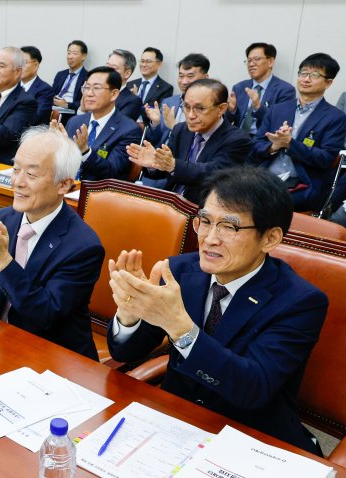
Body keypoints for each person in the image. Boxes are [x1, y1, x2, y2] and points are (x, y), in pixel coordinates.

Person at [107, 166, 327, 456]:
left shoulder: (300, 301)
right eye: (205, 221)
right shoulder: (181, 271)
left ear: (270, 238)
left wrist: (181, 329)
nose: (210, 238)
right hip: (175, 420)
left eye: (229, 227)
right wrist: (130, 315)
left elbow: (253, 387)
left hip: (251, 436)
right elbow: (125, 353)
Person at [0, 125, 104, 360]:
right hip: (3, 342)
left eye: (31, 174)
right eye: (16, 169)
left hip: (54, 358)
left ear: (64, 185)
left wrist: (2, 260)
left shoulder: (83, 246)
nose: (17, 182)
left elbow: (43, 314)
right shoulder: (5, 218)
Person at [127, 79, 251, 204]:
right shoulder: (181, 129)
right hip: (169, 203)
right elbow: (166, 171)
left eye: (200, 108)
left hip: (203, 210)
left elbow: (213, 174)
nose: (191, 115)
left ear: (221, 109)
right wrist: (155, 164)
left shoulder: (238, 139)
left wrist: (172, 164)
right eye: (186, 107)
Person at [252, 53, 346, 212]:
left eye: (314, 75)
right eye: (303, 73)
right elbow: (255, 147)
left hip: (302, 184)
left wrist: (291, 144)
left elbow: (325, 158)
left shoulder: (335, 118)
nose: (306, 79)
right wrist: (273, 146)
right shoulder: (277, 109)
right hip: (265, 176)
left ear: (328, 83)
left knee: (266, 202)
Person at [63, 66, 141, 181]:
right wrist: (57, 144)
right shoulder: (75, 121)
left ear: (114, 94)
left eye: (96, 88)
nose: (89, 93)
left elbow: (112, 171)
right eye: (87, 87)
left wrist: (86, 151)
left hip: (97, 193)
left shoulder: (129, 130)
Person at [226, 43, 296, 137]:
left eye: (256, 59)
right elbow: (229, 121)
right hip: (236, 137)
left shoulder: (285, 90)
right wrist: (231, 110)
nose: (251, 64)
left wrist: (259, 107)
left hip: (262, 140)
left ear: (270, 61)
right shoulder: (240, 87)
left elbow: (279, 122)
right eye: (249, 60)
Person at [144, 53, 210, 147]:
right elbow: (153, 140)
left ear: (205, 78)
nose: (184, 82)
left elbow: (199, 145)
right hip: (158, 156)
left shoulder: (209, 107)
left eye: (190, 76)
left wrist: (174, 126)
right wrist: (156, 123)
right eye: (181, 76)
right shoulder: (169, 102)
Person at [126, 47, 174, 123]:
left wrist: (136, 100)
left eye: (148, 61)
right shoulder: (130, 84)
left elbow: (159, 116)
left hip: (147, 130)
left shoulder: (166, 88)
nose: (144, 64)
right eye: (142, 61)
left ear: (159, 64)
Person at [51, 40, 89, 112]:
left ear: (83, 56)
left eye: (74, 53)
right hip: (54, 109)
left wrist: (67, 104)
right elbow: (51, 94)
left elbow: (86, 102)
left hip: (71, 112)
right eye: (68, 53)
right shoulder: (60, 75)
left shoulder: (88, 77)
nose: (70, 57)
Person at [105, 49, 142, 121]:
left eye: (113, 68)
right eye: (107, 66)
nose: (107, 71)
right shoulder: (95, 91)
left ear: (127, 73)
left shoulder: (132, 101)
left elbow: (118, 125)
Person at [20, 46, 53, 126]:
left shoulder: (45, 90)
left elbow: (36, 117)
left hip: (32, 134)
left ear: (36, 65)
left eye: (24, 62)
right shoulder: (12, 85)